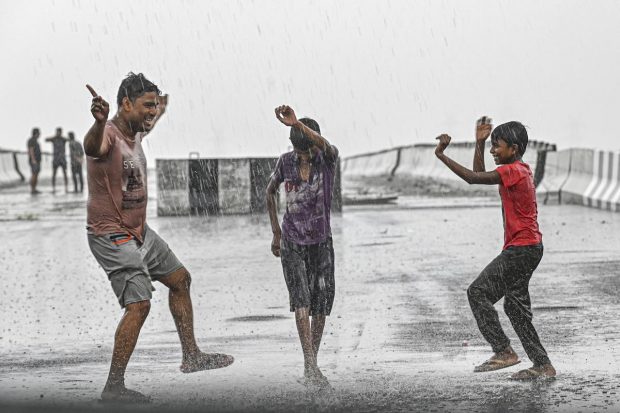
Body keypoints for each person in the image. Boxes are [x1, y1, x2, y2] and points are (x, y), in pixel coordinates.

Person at [84, 72, 233, 403]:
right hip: (111, 235)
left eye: (155, 106)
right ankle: (114, 387)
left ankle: (191, 355)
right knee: (139, 305)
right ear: (125, 104)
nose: (152, 113)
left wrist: (158, 107)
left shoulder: (136, 130)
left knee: (180, 280)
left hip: (140, 232)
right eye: (147, 106)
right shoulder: (108, 134)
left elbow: (153, 113)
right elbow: (92, 146)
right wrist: (98, 121)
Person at [434, 117, 556, 380]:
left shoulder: (513, 171)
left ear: (513, 148)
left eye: (496, 146)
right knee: (515, 309)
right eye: (490, 146)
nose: (492, 151)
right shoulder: (518, 169)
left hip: (521, 249)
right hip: (529, 247)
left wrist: (441, 155)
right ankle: (543, 365)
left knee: (477, 292)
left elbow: (472, 178)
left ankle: (503, 350)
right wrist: (478, 143)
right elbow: (479, 174)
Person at [266, 105, 339, 388]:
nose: (303, 157)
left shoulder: (327, 159)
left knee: (320, 305)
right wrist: (276, 233)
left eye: (307, 151)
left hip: (321, 241)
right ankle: (310, 364)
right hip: (293, 241)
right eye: (299, 152)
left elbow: (326, 145)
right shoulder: (286, 162)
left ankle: (312, 362)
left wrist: (297, 123)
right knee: (301, 301)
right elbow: (270, 192)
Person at [45, 127, 69, 193]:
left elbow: (69, 139)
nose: (58, 133)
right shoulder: (54, 139)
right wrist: (55, 136)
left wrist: (61, 136)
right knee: (54, 174)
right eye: (57, 132)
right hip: (55, 159)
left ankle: (66, 187)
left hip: (62, 159)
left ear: (61, 132)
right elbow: (46, 139)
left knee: (65, 173)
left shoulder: (63, 139)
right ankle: (53, 188)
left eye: (59, 132)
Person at [27, 128, 42, 195]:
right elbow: (31, 150)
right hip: (34, 160)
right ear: (36, 133)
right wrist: (33, 159)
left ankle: (34, 188)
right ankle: (32, 189)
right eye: (39, 133)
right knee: (34, 174)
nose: (40, 134)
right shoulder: (31, 140)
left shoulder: (35, 141)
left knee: (36, 174)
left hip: (37, 160)